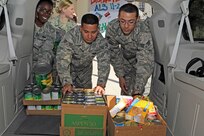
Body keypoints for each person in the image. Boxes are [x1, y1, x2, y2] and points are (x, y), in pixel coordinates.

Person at [105, 3, 154, 96]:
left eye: (131, 22)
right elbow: (113, 53)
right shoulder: (113, 27)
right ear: (118, 17)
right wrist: (120, 75)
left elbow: (144, 61)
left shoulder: (143, 31)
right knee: (126, 93)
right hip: (126, 62)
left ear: (137, 19)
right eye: (122, 21)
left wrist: (137, 91)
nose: (126, 26)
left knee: (140, 96)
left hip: (142, 63)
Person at [56, 13, 110, 95]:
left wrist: (101, 84)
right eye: (86, 31)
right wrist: (66, 82)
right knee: (64, 97)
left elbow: (104, 63)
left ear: (98, 29)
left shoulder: (101, 41)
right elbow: (62, 60)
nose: (90, 36)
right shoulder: (71, 36)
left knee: (86, 99)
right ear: (81, 28)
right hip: (67, 71)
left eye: (93, 32)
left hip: (85, 73)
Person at [33, 0, 77, 84]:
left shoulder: (71, 28)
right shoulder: (48, 24)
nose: (47, 14)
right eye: (71, 9)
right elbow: (35, 46)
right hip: (40, 67)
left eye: (49, 12)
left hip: (57, 69)